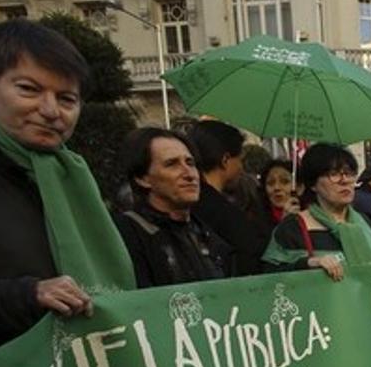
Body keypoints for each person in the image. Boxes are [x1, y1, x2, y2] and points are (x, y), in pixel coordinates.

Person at [0, 20, 135, 363]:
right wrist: (27, 296)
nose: (51, 111)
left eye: (67, 98)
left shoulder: (74, 177)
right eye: (29, 90)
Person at [262, 143, 371, 275]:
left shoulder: (362, 222)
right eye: (334, 174)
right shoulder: (294, 226)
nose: (344, 180)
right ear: (313, 184)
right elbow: (270, 277)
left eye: (349, 173)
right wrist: (308, 263)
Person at [115, 128, 233, 287]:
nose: (189, 174)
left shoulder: (210, 236)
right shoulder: (126, 235)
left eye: (190, 163)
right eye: (171, 164)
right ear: (142, 178)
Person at [187, 119, 269, 276]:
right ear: (225, 160)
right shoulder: (226, 215)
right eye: (240, 159)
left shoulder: (183, 204)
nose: (241, 168)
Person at [257, 158, 298, 236]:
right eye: (271, 183)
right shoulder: (257, 221)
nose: (277, 188)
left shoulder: (311, 215)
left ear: (300, 187)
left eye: (285, 182)